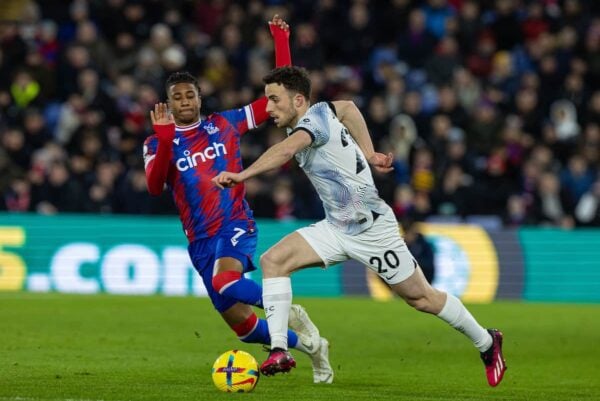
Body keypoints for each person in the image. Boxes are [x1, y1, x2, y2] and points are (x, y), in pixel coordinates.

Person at [212, 66, 507, 387]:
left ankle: (487, 342)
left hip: (371, 230)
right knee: (273, 261)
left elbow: (285, 151)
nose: (267, 108)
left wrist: (242, 175)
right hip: (336, 227)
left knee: (421, 298)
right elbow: (350, 109)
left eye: (273, 99)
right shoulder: (321, 112)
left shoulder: (313, 122)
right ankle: (280, 349)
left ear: (298, 100)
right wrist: (369, 153)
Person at [143, 18, 332, 384]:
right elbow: (154, 187)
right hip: (199, 241)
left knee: (227, 280)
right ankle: (312, 345)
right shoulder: (156, 143)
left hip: (234, 224)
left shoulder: (224, 124)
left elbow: (276, 99)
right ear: (167, 103)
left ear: (200, 97)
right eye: (176, 97)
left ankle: (287, 309)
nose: (184, 101)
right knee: (245, 328)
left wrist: (280, 40)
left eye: (189, 95)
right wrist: (165, 140)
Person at [400, 217, 435, 284]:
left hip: (425, 276)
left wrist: (412, 262)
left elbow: (429, 263)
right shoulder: (403, 244)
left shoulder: (424, 244)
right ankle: (396, 290)